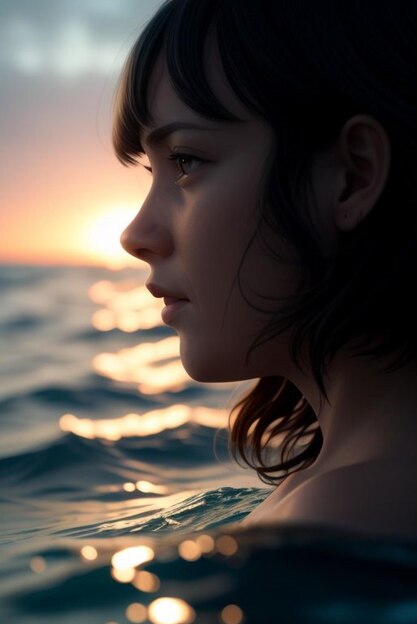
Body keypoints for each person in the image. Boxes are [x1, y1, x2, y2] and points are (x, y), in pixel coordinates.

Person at [112, 0, 417, 539]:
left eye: (185, 162)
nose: (135, 236)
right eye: (149, 171)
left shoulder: (343, 521)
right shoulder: (334, 488)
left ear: (352, 175)